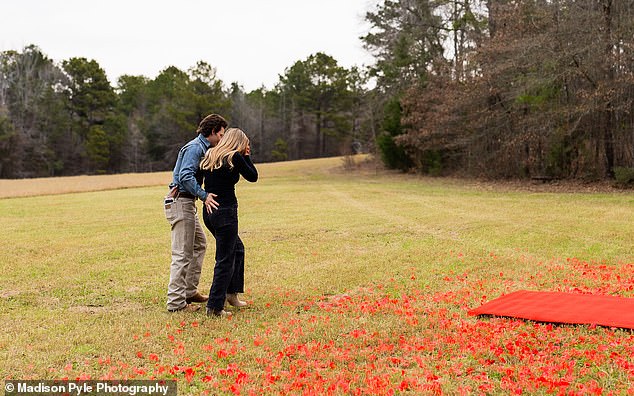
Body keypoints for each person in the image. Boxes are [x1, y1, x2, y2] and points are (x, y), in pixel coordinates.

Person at [165, 114, 228, 313]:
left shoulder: (204, 148)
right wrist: (204, 195)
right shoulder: (195, 148)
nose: (222, 138)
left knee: (199, 244)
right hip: (181, 202)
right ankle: (176, 303)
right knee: (182, 254)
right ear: (211, 132)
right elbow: (185, 176)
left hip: (187, 203)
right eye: (220, 134)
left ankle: (189, 291)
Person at [200, 128, 258, 317]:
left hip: (209, 212)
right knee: (224, 259)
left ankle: (231, 294)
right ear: (239, 142)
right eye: (246, 144)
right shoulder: (234, 157)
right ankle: (215, 306)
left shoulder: (211, 154)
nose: (247, 147)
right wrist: (247, 156)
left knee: (237, 249)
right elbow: (253, 176)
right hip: (225, 212)